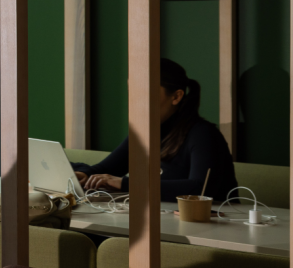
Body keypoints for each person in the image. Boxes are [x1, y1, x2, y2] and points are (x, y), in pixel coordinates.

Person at [74, 58, 238, 202]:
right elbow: (106, 170)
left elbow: (200, 189)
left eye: (144, 92)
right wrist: (84, 174)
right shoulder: (143, 133)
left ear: (176, 97)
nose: (136, 102)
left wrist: (125, 184)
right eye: (132, 93)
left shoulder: (203, 134)